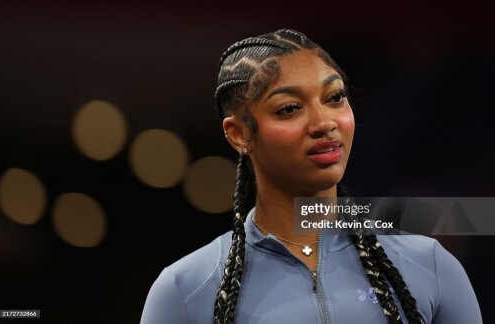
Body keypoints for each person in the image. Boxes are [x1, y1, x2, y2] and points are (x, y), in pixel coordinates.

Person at [140, 28, 482, 324]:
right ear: (239, 134)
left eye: (335, 98)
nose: (324, 123)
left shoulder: (432, 267)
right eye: (289, 108)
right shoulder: (186, 289)